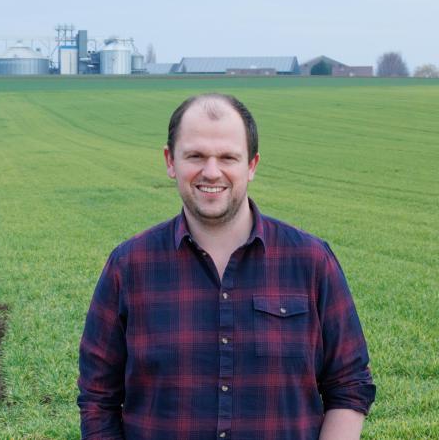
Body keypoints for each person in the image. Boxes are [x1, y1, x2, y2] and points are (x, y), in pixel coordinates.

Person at [77, 93, 375, 440]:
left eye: (228, 157)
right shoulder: (128, 267)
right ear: (170, 161)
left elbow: (350, 383)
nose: (212, 171)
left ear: (252, 165)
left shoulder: (310, 262)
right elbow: (98, 397)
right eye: (196, 156)